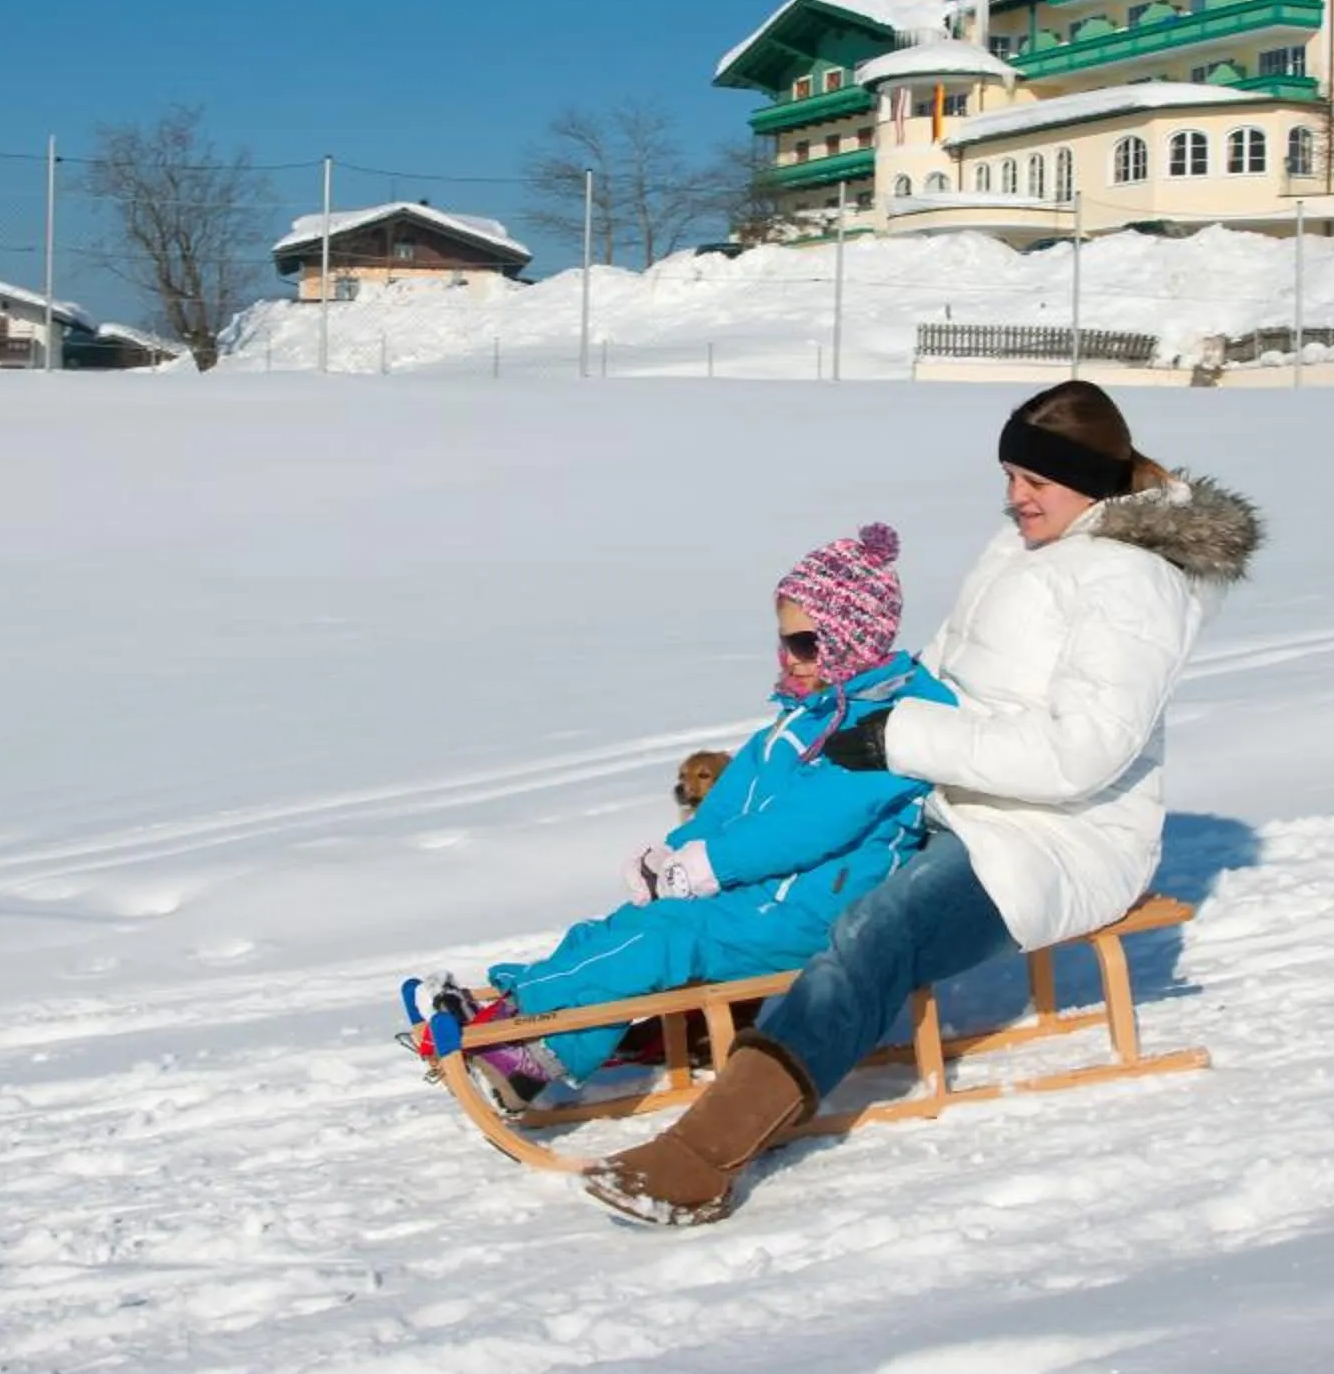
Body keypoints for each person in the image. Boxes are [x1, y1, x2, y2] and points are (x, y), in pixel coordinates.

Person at [585, 380, 1260, 1225]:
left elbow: (1083, 754)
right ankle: (599, 1021)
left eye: (1034, 482)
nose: (1014, 497)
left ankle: (699, 1159)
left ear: (1089, 481)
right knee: (786, 873)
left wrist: (905, 742)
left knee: (873, 935)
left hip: (1052, 840)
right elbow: (945, 673)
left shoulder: (1132, 583)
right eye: (1009, 475)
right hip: (948, 800)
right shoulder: (1028, 546)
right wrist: (849, 719)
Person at [432, 523, 953, 1113]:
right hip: (764, 895)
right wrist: (674, 856)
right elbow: (730, 806)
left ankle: (525, 1043)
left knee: (668, 940)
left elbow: (811, 826)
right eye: (784, 643)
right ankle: (518, 1015)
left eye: (806, 644)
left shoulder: (894, 724)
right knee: (622, 926)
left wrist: (710, 865)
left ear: (851, 638)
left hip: (818, 912)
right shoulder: (797, 718)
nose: (790, 659)